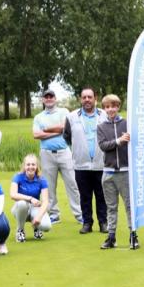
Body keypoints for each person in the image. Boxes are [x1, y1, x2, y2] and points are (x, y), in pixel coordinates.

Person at [97, 93, 144, 250]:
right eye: (107, 107)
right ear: (104, 109)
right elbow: (103, 145)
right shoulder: (101, 127)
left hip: (125, 173)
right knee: (111, 207)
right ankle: (111, 237)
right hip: (108, 173)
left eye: (113, 106)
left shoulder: (128, 124)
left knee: (129, 206)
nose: (110, 109)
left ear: (118, 107)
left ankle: (133, 235)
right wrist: (119, 141)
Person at [32, 89, 82, 224]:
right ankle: (54, 214)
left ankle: (79, 214)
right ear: (43, 100)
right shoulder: (38, 117)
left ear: (55, 98)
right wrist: (56, 132)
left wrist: (46, 130)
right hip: (47, 154)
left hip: (64, 152)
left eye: (51, 96)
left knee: (73, 184)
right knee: (49, 186)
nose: (49, 99)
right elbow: (36, 134)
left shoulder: (64, 112)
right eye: (46, 97)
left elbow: (64, 127)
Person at [63, 87, 107, 235]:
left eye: (90, 97)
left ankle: (103, 222)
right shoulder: (71, 117)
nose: (87, 100)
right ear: (80, 99)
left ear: (95, 98)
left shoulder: (104, 115)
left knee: (101, 195)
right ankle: (87, 223)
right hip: (81, 165)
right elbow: (67, 136)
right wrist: (79, 149)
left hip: (101, 163)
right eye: (84, 97)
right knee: (84, 196)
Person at [9, 154, 52, 242]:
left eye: (33, 164)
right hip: (20, 208)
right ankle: (20, 230)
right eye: (28, 164)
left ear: (36, 166)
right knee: (22, 204)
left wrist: (39, 217)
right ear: (24, 166)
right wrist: (30, 198)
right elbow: (13, 194)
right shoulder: (18, 177)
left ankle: (37, 228)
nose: (30, 167)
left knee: (46, 226)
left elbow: (45, 201)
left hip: (35, 207)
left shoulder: (41, 179)